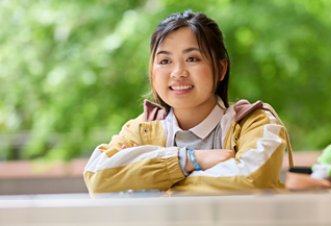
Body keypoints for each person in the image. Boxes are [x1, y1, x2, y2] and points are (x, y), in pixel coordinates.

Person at [83, 10, 293, 195]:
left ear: (221, 68)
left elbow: (251, 179)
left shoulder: (254, 123)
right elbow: (97, 176)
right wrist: (191, 160)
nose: (178, 73)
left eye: (192, 59)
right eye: (165, 61)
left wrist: (149, 183)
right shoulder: (141, 129)